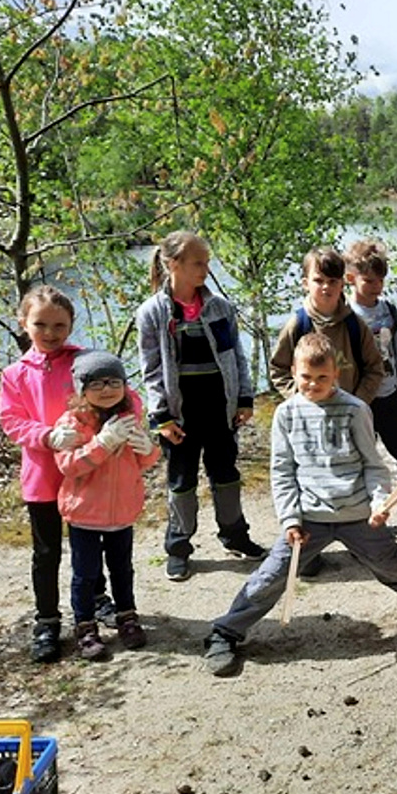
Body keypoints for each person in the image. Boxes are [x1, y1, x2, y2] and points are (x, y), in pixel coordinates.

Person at [202, 333, 397, 677]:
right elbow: (282, 472)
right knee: (271, 576)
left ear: (336, 375)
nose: (313, 384)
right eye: (306, 377)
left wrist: (378, 502)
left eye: (322, 378)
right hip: (309, 518)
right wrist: (290, 519)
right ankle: (225, 632)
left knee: (391, 562)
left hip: (358, 513)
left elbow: (373, 465)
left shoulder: (356, 410)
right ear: (293, 372)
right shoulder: (286, 415)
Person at [136, 230, 267, 582]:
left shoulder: (219, 307)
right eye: (198, 263)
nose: (205, 270)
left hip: (219, 410)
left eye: (207, 263)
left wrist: (244, 399)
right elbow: (151, 370)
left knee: (226, 476)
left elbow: (235, 356)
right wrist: (161, 417)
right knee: (181, 481)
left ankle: (235, 535)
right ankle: (178, 548)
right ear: (172, 263)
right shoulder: (152, 313)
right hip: (180, 416)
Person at [0, 285, 113, 662]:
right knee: (46, 553)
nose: (50, 333)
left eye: (59, 325)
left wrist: (121, 429)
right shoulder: (14, 374)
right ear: (23, 323)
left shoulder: (85, 360)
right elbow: (11, 420)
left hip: (85, 473)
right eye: (41, 324)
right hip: (42, 476)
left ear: (71, 325)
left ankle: (97, 600)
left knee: (89, 546)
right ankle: (47, 620)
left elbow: (120, 393)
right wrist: (46, 435)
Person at [53, 351, 160, 660]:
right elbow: (69, 467)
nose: (107, 389)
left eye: (114, 381)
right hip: (84, 514)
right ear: (81, 388)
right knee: (85, 574)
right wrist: (101, 443)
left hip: (122, 513)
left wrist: (150, 450)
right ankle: (85, 627)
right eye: (96, 383)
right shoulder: (71, 423)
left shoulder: (128, 417)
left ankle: (127, 617)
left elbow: (142, 461)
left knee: (122, 570)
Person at [344, 239, 397, 535]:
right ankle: (361, 523)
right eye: (369, 281)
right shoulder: (345, 316)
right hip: (359, 400)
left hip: (391, 395)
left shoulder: (389, 311)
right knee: (360, 461)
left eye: (380, 280)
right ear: (351, 278)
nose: (377, 286)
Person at [270, 246, 385, 405]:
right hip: (309, 415)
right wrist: (301, 398)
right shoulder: (297, 325)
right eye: (318, 281)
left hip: (348, 414)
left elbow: (375, 368)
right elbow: (278, 369)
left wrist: (357, 402)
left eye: (332, 281)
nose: (326, 287)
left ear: (342, 283)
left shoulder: (355, 325)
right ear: (305, 283)